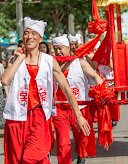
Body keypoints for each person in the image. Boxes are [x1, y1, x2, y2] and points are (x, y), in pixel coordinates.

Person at [1, 17, 90, 164]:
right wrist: (19, 59)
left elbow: (67, 90)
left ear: (41, 38)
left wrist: (78, 115)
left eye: (34, 33)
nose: (29, 37)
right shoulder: (15, 60)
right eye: (27, 33)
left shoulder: (49, 61)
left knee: (31, 158)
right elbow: (5, 80)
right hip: (16, 118)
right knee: (17, 160)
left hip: (39, 117)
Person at [52, 34, 103, 164]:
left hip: (80, 108)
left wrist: (102, 91)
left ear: (68, 48)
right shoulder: (52, 66)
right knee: (63, 141)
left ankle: (81, 156)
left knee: (82, 137)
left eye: (61, 48)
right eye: (56, 49)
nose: (58, 51)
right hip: (60, 109)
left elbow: (96, 77)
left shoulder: (80, 63)